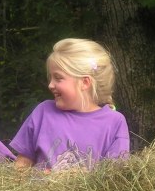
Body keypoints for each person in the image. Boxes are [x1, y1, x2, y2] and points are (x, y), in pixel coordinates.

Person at [10, 38, 130, 171]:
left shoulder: (114, 122)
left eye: (58, 78)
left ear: (85, 83)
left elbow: (115, 177)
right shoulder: (43, 112)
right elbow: (22, 162)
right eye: (50, 78)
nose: (50, 85)